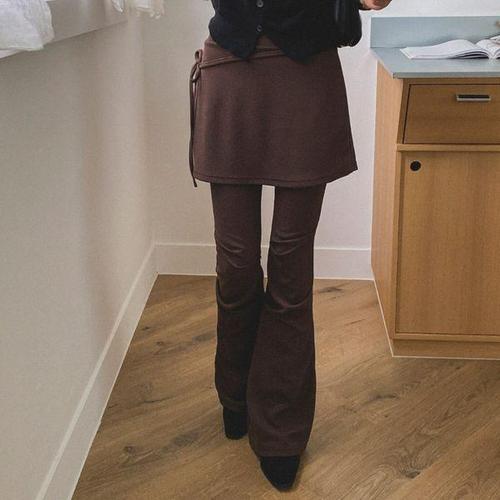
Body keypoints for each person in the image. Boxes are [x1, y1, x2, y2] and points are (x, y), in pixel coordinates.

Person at [188, 0, 392, 491]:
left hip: (306, 69)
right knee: (236, 262)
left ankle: (281, 430)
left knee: (290, 262)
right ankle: (235, 392)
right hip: (229, 66)